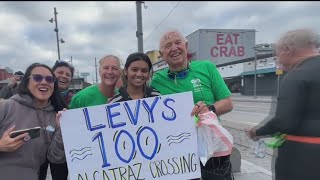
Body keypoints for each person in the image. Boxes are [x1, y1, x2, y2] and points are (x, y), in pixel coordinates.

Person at [150, 30, 234, 180]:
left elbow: (228, 103)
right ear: (162, 54)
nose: (174, 48)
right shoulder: (157, 80)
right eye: (168, 46)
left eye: (178, 43)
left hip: (212, 149)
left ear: (186, 45)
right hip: (180, 153)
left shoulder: (207, 67)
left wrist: (210, 109)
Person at [246, 29, 320, 180]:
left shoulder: (297, 76)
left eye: (277, 54)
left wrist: (257, 131)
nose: (277, 59)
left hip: (303, 158)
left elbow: (284, 121)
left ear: (288, 50)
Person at [0, 63, 67, 180]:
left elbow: (55, 158)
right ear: (27, 82)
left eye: (49, 79)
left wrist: (62, 130)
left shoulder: (55, 116)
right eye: (37, 78)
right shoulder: (5, 107)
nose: (44, 82)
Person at [39, 60, 75, 180]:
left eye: (68, 74)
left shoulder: (74, 100)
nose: (64, 76)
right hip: (40, 147)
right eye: (60, 72)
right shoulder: (39, 95)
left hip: (60, 149)